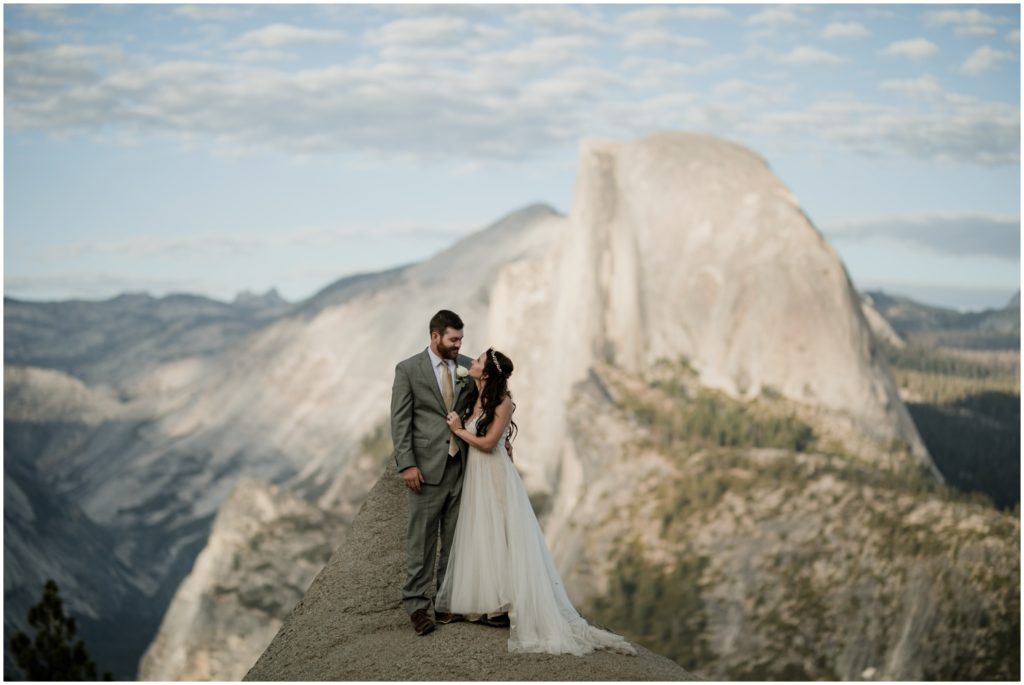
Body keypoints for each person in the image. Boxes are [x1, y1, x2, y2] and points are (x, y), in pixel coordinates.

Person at [436, 348, 637, 656]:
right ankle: (492, 603)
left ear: (487, 373)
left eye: (476, 361)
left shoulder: (503, 403)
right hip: (477, 476)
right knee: (485, 535)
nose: (471, 364)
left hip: (495, 475)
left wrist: (459, 431)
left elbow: (489, 444)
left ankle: (509, 603)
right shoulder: (475, 397)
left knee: (504, 535)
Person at [390, 310, 475, 636]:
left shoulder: (468, 366)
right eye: (453, 339)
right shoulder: (408, 369)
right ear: (435, 336)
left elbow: (488, 406)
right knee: (422, 540)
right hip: (425, 469)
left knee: (455, 540)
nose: (459, 345)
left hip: (462, 466)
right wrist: (407, 464)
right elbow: (400, 421)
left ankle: (445, 601)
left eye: (461, 339)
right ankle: (416, 606)